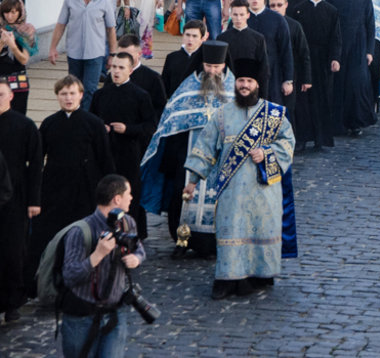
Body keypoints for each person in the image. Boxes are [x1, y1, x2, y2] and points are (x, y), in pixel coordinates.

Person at [183, 59, 295, 299]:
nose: (244, 86)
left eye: (249, 82)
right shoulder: (222, 115)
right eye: (241, 81)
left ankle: (258, 276)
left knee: (261, 230)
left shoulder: (273, 114)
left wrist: (266, 153)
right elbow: (205, 147)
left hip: (263, 189)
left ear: (257, 85)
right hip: (231, 190)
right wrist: (192, 180)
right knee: (230, 232)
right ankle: (227, 281)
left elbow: (288, 144)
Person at [140, 41, 232, 258]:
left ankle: (210, 245)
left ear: (224, 65)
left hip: (220, 157)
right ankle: (182, 241)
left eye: (216, 67)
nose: (212, 71)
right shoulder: (189, 86)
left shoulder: (233, 87)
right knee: (181, 198)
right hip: (187, 153)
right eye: (208, 66)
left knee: (217, 199)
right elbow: (171, 118)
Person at [27, 76, 115, 287]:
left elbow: (106, 160)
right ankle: (39, 282)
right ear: (57, 96)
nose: (68, 98)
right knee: (45, 236)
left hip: (84, 190)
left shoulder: (93, 123)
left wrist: (110, 196)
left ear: (81, 95)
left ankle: (88, 279)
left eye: (72, 93)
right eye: (64, 94)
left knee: (84, 238)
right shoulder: (49, 123)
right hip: (54, 189)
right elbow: (38, 159)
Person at [58, 174, 146, 358]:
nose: (132, 197)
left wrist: (136, 259)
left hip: (114, 312)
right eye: (128, 193)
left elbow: (140, 249)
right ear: (117, 199)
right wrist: (97, 255)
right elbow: (70, 275)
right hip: (81, 317)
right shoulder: (80, 231)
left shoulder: (128, 223)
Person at [89, 50, 157, 242]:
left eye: (121, 68)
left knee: (130, 194)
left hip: (130, 152)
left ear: (130, 70)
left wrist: (128, 129)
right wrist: (100, 127)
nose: (116, 72)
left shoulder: (140, 95)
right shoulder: (100, 94)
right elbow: (92, 119)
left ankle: (132, 233)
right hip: (106, 151)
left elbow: (150, 126)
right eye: (113, 67)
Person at [0, 80, 41, 323]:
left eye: (1, 94)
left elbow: (35, 164)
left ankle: (13, 301)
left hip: (17, 197)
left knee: (13, 251)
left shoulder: (24, 125)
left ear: (11, 96)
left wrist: (34, 200)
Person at [48, 0, 119, 110]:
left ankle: (85, 117)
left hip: (95, 52)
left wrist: (112, 54)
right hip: (75, 52)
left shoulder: (105, 1)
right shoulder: (70, 1)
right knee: (74, 87)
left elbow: (111, 29)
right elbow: (61, 25)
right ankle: (74, 114)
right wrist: (53, 47)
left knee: (90, 89)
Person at [288, 0, 341, 150]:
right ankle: (302, 138)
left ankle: (321, 138)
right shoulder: (299, 9)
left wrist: (335, 58)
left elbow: (336, 37)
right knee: (303, 100)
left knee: (322, 98)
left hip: (323, 61)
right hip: (304, 58)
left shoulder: (331, 11)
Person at [325, 0, 376, 136]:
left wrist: (370, 51)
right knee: (338, 85)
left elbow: (370, 25)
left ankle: (356, 123)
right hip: (339, 48)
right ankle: (337, 124)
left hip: (359, 47)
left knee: (357, 84)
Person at [245, 0, 293, 106]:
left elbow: (285, 49)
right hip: (246, 74)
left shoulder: (277, 19)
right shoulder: (240, 18)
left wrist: (287, 80)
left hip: (273, 74)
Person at [219, 0, 270, 94]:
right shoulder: (222, 38)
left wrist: (263, 94)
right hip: (228, 88)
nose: (238, 18)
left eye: (242, 15)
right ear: (231, 15)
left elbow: (263, 68)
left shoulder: (258, 38)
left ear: (248, 15)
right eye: (235, 15)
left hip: (250, 88)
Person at [0, 0, 36, 114]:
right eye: (6, 12)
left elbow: (24, 60)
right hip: (1, 77)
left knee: (19, 115)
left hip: (18, 78)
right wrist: (2, 42)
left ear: (20, 12)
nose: (9, 16)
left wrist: (12, 45)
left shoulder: (26, 30)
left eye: (13, 12)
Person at [161, 19, 207, 97]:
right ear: (183, 35)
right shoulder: (172, 57)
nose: (190, 39)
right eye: (187, 35)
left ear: (202, 39)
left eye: (195, 36)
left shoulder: (206, 59)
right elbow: (164, 85)